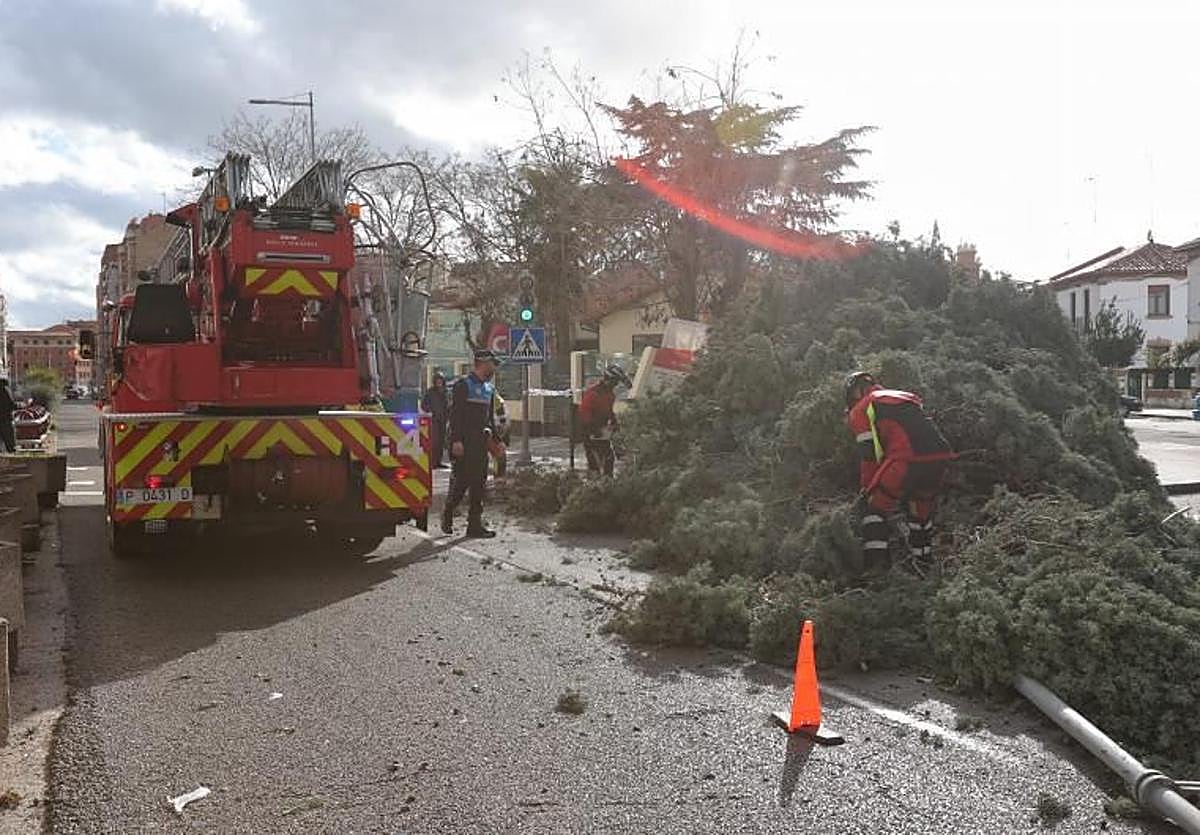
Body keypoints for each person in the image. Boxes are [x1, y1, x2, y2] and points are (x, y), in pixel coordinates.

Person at [844, 371, 953, 571]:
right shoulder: (901, 396)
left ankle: (877, 571)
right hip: (939, 458)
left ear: (855, 393)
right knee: (920, 511)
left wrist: (867, 488)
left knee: (873, 509)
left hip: (907, 458)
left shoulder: (861, 408)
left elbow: (869, 455)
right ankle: (923, 565)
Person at [442, 349, 502, 538]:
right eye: (492, 364)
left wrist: (498, 441)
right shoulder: (463, 385)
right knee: (462, 482)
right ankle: (448, 511)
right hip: (464, 442)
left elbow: (490, 419)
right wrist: (456, 441)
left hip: (481, 442)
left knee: (479, 484)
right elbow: (455, 415)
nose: (494, 368)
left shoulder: (489, 389)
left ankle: (474, 525)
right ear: (482, 363)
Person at [578, 364, 632, 476]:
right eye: (615, 382)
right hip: (590, 432)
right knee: (596, 463)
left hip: (601, 431)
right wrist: (593, 430)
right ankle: (595, 485)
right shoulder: (592, 394)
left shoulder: (610, 395)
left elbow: (608, 411)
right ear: (609, 380)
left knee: (609, 458)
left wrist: (614, 422)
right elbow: (584, 415)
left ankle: (607, 482)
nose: (616, 385)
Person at [421, 372, 449, 469]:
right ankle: (432, 462)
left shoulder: (445, 392)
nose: (439, 382)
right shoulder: (430, 392)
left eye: (441, 380)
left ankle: (438, 461)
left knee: (441, 442)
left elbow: (448, 405)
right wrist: (430, 411)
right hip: (434, 420)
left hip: (443, 420)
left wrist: (448, 416)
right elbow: (423, 405)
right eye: (437, 380)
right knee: (434, 442)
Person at [0, 379, 16, 453]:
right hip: (5, 421)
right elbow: (11, 405)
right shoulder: (5, 390)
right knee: (11, 447)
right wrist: (22, 405)